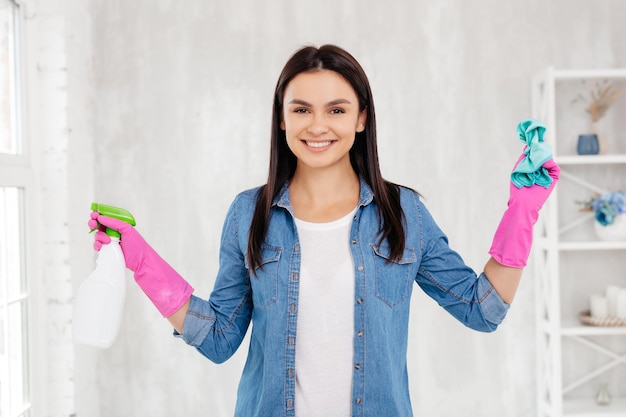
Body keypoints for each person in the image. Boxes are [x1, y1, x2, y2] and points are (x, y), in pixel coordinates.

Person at [89, 44, 560, 417]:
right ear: (281, 118)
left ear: (360, 118)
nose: (318, 125)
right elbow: (218, 339)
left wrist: (523, 207)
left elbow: (482, 309)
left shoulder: (403, 213)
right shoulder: (246, 214)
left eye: (336, 110)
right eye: (301, 110)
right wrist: (139, 257)